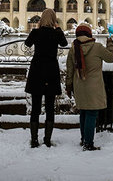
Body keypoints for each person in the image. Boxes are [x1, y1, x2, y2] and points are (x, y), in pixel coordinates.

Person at [66, 24, 113, 151]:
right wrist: (110, 43)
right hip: (93, 87)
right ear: (89, 34)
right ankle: (88, 143)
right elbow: (111, 58)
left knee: (83, 112)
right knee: (91, 114)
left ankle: (84, 139)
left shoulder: (73, 48)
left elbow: (70, 70)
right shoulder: (97, 47)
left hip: (79, 86)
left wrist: (68, 86)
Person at [24, 8, 68, 147]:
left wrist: (36, 28)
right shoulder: (56, 34)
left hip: (37, 71)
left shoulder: (36, 33)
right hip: (51, 72)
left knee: (36, 107)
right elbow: (64, 43)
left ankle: (34, 139)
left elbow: (27, 43)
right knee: (50, 107)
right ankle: (47, 140)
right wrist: (58, 28)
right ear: (54, 20)